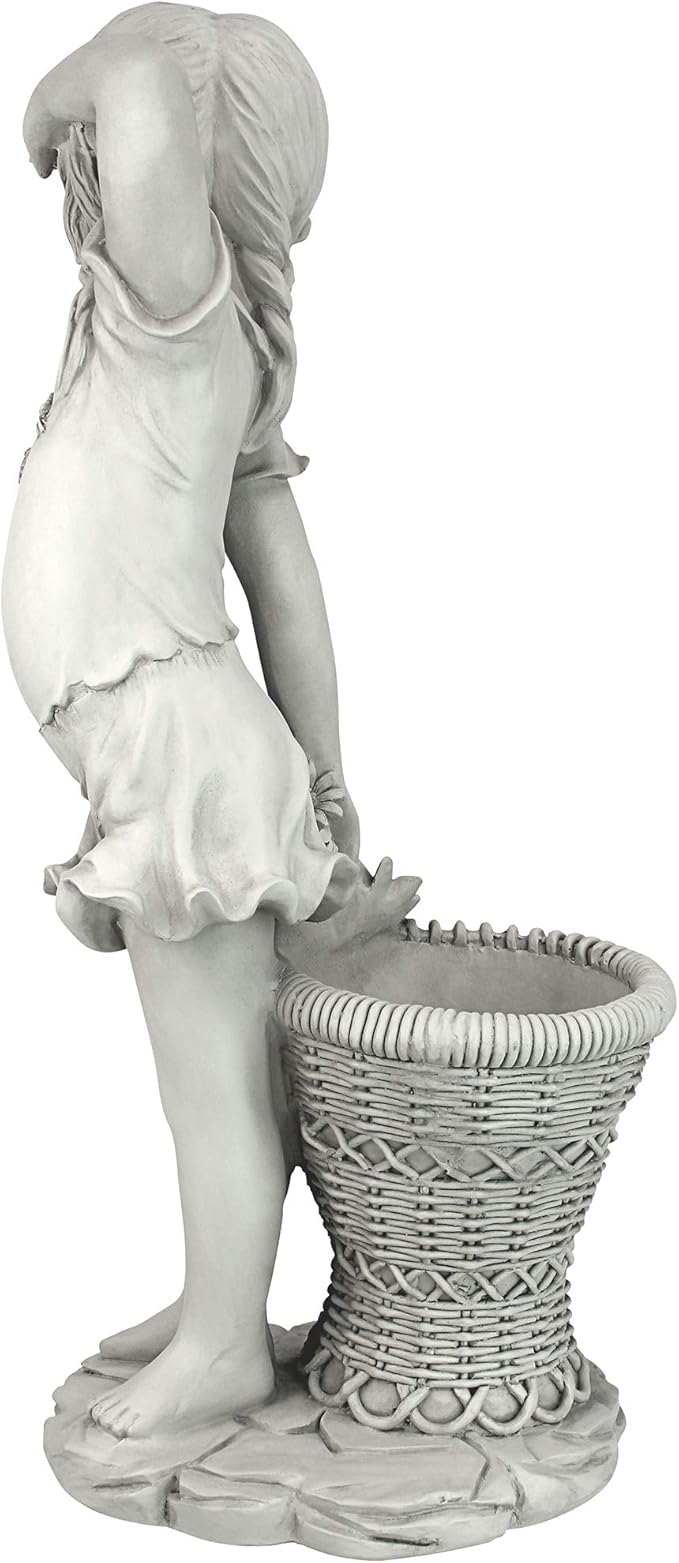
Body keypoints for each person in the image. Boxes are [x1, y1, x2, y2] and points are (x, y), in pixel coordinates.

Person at [3, 5, 421, 1442]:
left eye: (109, 160)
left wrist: (45, 109)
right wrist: (328, 777)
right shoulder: (201, 346)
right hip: (191, 751)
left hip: (181, 757)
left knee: (210, 1089)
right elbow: (287, 592)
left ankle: (229, 1344)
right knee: (224, 1074)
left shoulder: (175, 303)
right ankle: (214, 1304)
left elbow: (129, 76)